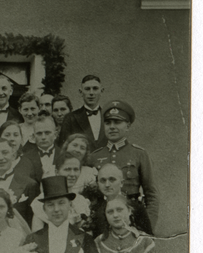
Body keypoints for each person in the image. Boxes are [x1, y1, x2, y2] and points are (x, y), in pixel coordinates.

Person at [88, 100, 160, 232]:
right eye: (108, 123)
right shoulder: (94, 157)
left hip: (133, 217)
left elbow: (151, 194)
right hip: (102, 220)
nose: (112, 127)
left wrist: (147, 226)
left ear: (127, 126)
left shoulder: (139, 154)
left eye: (117, 122)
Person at [0, 138, 39, 226]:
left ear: (13, 155)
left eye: (5, 153)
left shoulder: (29, 184)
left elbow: (34, 220)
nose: (0, 158)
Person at [83, 163, 153, 238]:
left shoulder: (136, 207)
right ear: (98, 184)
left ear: (121, 183)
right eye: (103, 180)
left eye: (112, 180)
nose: (107, 185)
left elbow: (148, 239)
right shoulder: (95, 210)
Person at [31, 153, 91, 231]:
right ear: (56, 172)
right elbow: (37, 235)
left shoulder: (80, 200)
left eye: (76, 169)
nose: (72, 174)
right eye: (67, 169)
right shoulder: (42, 201)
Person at [57, 74, 107, 149]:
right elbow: (63, 147)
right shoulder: (71, 118)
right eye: (87, 89)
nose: (91, 93)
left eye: (95, 88)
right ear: (81, 92)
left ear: (101, 91)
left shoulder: (108, 116)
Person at [22, 115, 59, 181]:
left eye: (47, 133)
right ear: (33, 136)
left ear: (55, 135)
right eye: (39, 133)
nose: (43, 137)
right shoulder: (26, 158)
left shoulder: (64, 154)